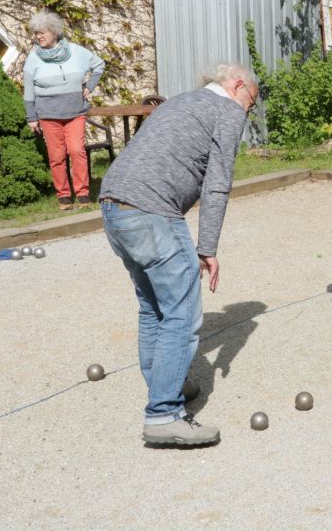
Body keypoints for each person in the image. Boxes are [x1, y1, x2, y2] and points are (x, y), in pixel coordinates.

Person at [99, 62, 258, 447]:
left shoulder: (182, 101)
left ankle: (163, 387)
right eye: (250, 102)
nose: (248, 111)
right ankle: (164, 415)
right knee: (182, 313)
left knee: (154, 306)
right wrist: (208, 248)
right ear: (237, 86)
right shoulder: (226, 110)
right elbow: (218, 184)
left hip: (113, 204)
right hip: (152, 211)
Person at [23, 9, 105, 210]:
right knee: (57, 156)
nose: (38, 37)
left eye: (42, 32)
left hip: (75, 112)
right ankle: (64, 196)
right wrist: (31, 116)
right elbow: (28, 90)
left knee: (77, 150)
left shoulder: (77, 52)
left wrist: (89, 86)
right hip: (48, 115)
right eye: (36, 33)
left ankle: (83, 193)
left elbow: (99, 65)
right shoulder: (34, 58)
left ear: (55, 32)